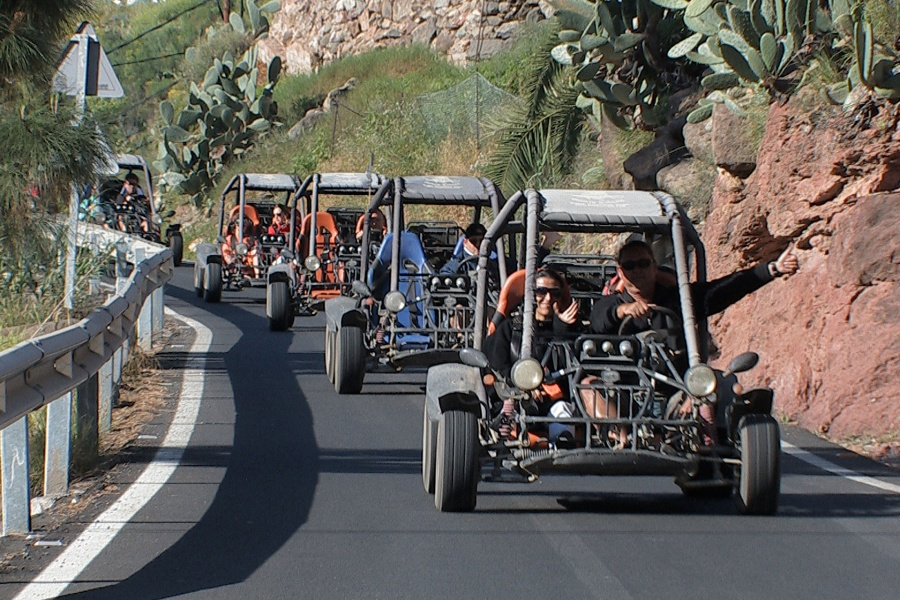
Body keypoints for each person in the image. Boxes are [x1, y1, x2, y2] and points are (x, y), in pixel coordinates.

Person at [583, 238, 799, 446]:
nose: (637, 270)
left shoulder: (679, 299)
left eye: (643, 263)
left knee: (714, 386)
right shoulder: (610, 304)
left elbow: (726, 288)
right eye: (630, 266)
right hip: (624, 394)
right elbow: (599, 319)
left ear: (654, 266)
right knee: (586, 385)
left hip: (678, 391)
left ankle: (710, 447)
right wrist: (623, 310)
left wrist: (772, 269)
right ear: (621, 272)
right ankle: (620, 436)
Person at [483, 268, 581, 445]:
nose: (548, 298)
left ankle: (561, 446)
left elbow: (575, 368)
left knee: (562, 410)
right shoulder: (509, 329)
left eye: (555, 293)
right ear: (529, 294)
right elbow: (496, 366)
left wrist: (562, 328)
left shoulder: (569, 330)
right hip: (515, 399)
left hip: (555, 401)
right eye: (541, 292)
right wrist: (522, 384)